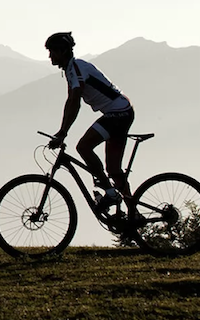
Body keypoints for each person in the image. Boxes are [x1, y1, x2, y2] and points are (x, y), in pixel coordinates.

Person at [45, 32, 135, 208]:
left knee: (83, 147)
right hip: (122, 111)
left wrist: (63, 132)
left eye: (52, 52)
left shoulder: (77, 68)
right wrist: (62, 130)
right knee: (113, 170)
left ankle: (110, 193)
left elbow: (75, 102)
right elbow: (70, 101)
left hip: (118, 112)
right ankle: (133, 214)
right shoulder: (71, 70)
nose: (50, 56)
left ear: (63, 51)